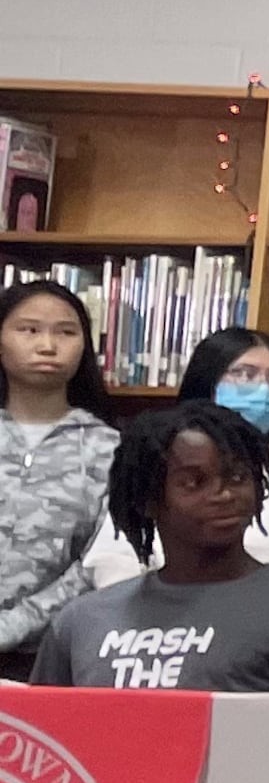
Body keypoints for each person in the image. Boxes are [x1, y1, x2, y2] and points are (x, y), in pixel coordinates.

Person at [27, 403, 269, 692]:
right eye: (193, 482)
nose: (224, 494)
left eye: (238, 477)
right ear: (148, 500)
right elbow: (42, 736)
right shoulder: (80, 621)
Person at [80, 326, 269, 592]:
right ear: (207, 381)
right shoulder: (154, 463)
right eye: (245, 374)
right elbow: (113, 565)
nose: (264, 389)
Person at [0, 278, 119, 673]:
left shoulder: (110, 449)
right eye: (29, 330)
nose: (47, 345)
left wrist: (15, 625)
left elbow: (97, 562)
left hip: (53, 654)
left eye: (65, 332)